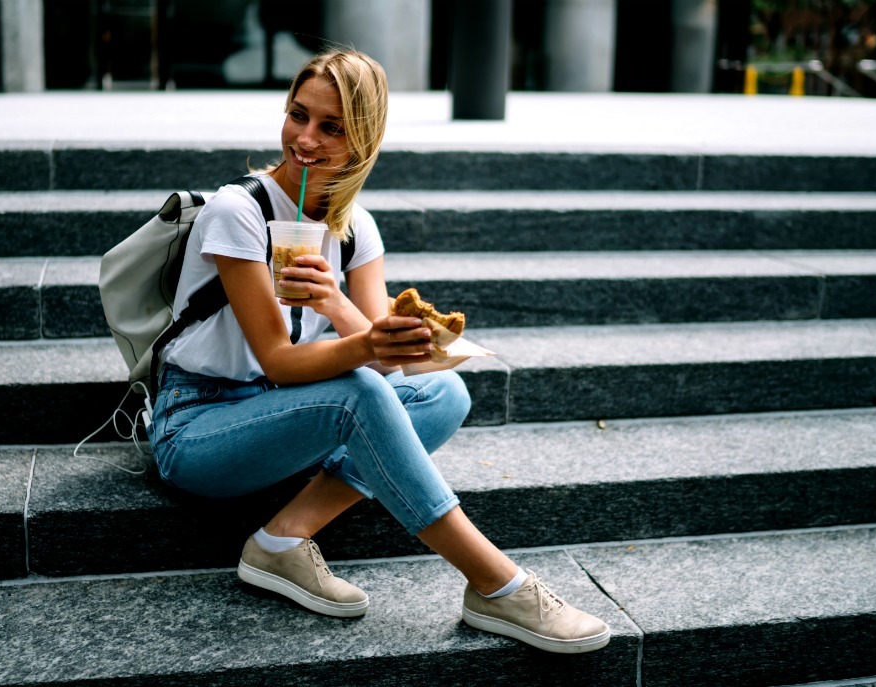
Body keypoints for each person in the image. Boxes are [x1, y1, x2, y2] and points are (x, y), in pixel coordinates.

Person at [149, 49, 610, 654]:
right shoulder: (239, 211)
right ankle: (498, 585)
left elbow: (385, 355)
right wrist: (365, 341)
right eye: (298, 115)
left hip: (284, 409)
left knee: (445, 392)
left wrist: (343, 311)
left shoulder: (356, 227)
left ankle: (285, 536)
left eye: (331, 127)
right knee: (360, 393)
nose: (304, 139)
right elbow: (282, 361)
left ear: (363, 138)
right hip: (199, 422)